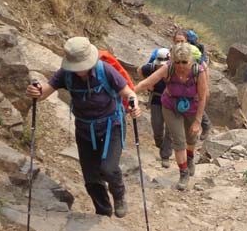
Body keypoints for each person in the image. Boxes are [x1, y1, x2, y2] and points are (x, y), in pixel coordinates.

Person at [25, 37, 141, 218]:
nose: (79, 70)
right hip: (85, 130)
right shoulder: (66, 74)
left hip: (112, 126)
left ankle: (118, 196)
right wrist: (36, 92)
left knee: (109, 169)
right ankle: (103, 213)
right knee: (91, 179)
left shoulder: (106, 71)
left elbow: (128, 92)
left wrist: (134, 104)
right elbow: (44, 93)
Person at [135, 43, 208, 190]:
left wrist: (198, 121)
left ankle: (190, 158)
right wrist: (130, 92)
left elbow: (202, 97)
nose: (180, 66)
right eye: (177, 62)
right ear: (172, 60)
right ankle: (183, 172)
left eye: (184, 62)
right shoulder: (168, 68)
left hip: (192, 107)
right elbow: (147, 82)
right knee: (178, 139)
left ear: (191, 60)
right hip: (170, 106)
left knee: (191, 138)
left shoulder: (198, 72)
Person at [172, 30, 212, 139]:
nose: (179, 43)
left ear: (187, 41)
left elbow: (203, 67)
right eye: (177, 41)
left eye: (182, 41)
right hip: (177, 82)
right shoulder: (174, 51)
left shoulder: (193, 51)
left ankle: (205, 124)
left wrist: (205, 85)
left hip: (193, 82)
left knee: (195, 103)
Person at [138, 48, 171, 168]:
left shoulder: (173, 69)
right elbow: (139, 70)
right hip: (156, 99)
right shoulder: (150, 67)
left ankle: (165, 155)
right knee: (157, 125)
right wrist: (148, 84)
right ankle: (160, 144)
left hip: (171, 101)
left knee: (170, 129)